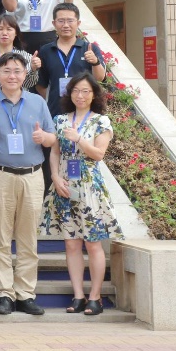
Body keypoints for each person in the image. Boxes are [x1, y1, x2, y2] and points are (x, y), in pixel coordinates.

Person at [0, 51, 56, 316]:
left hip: (32, 176)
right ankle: (5, 294)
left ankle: (25, 294)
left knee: (28, 238)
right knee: (0, 237)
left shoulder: (37, 102)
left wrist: (44, 138)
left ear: (25, 74)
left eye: (17, 71)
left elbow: (52, 138)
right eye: (6, 70)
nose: (12, 75)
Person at [42, 74, 123, 316]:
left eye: (86, 91)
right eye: (76, 90)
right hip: (65, 184)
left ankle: (95, 298)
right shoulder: (60, 120)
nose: (80, 95)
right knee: (71, 243)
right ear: (69, 93)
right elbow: (55, 152)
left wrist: (79, 139)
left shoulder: (101, 121)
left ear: (94, 94)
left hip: (89, 187)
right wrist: (55, 177)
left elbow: (98, 154)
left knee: (93, 243)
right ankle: (78, 295)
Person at [35, 3, 107, 120]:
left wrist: (95, 62)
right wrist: (53, 99)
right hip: (55, 112)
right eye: (61, 21)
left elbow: (100, 78)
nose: (66, 25)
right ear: (54, 23)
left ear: (78, 23)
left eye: (70, 21)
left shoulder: (89, 48)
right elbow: (41, 84)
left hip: (85, 113)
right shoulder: (46, 50)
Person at [0, 13, 42, 97]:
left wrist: (33, 69)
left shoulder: (27, 57)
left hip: (19, 103)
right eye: (0, 29)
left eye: (9, 29)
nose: (4, 33)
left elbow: (29, 84)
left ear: (16, 33)